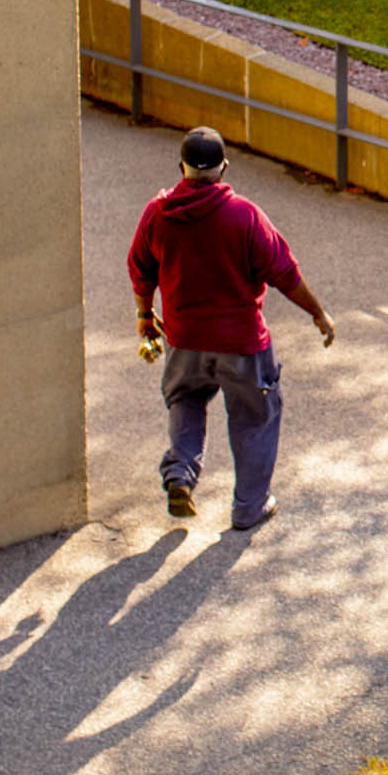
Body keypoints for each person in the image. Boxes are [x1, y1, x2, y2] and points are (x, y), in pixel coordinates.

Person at [128, 125, 335, 530]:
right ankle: (249, 507)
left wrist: (143, 313)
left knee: (185, 402)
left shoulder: (158, 213)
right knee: (255, 416)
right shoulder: (244, 215)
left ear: (181, 167)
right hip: (242, 344)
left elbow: (140, 267)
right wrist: (317, 312)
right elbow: (284, 272)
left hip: (184, 339)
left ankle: (181, 474)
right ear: (224, 168)